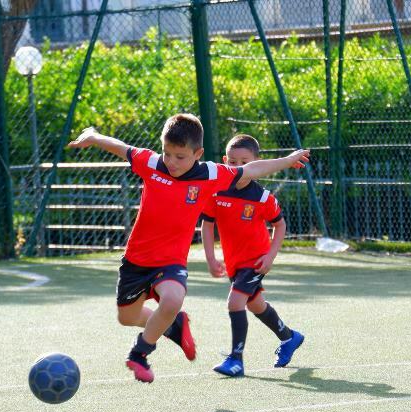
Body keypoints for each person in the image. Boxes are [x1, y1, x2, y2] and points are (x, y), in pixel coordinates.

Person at [67, 115, 309, 383]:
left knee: (172, 299)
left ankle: (140, 353)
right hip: (136, 261)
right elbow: (121, 147)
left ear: (198, 153)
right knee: (127, 317)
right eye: (167, 153)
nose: (171, 161)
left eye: (180, 156)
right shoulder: (151, 164)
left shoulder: (211, 174)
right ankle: (175, 325)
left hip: (170, 262)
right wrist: (93, 136)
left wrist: (287, 160)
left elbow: (251, 171)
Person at [201, 134, 304, 377]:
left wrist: (269, 257)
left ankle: (236, 359)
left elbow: (280, 225)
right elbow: (207, 224)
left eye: (245, 162)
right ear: (225, 161)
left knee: (235, 303)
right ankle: (289, 337)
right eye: (233, 162)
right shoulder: (216, 191)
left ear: (256, 163)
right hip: (234, 263)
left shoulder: (262, 197)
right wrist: (211, 258)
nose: (238, 168)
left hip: (255, 261)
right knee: (256, 305)